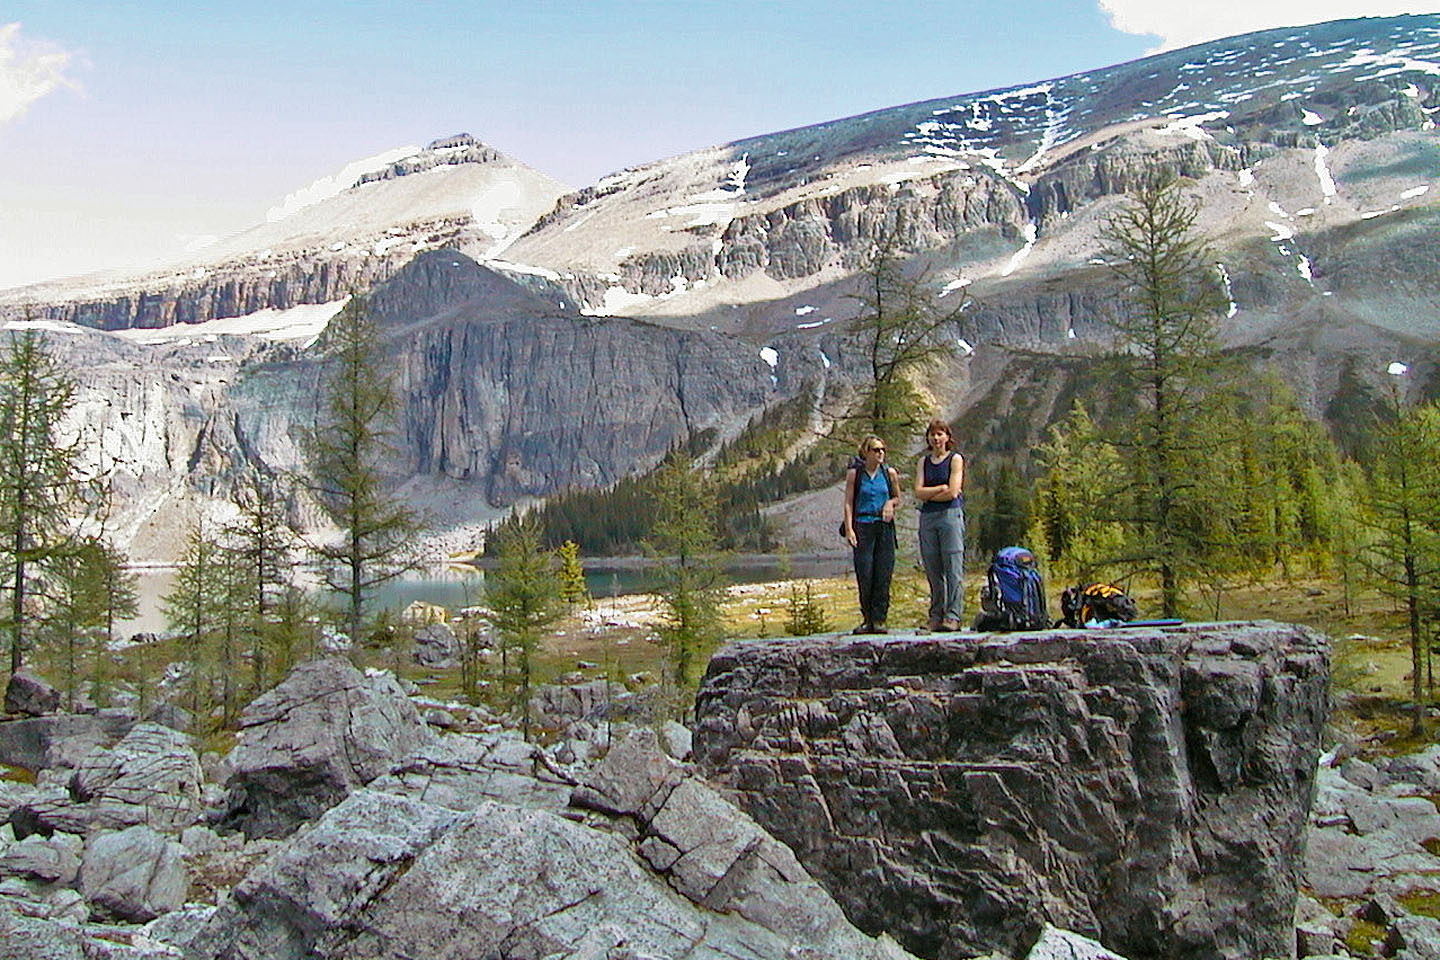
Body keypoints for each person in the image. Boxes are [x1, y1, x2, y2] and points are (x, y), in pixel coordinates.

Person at [843, 435, 900, 634]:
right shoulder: (855, 475)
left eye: (882, 449)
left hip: (884, 527)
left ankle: (879, 619)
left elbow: (897, 497)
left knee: (883, 573)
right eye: (876, 450)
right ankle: (867, 618)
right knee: (865, 573)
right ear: (866, 452)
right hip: (863, 526)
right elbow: (849, 502)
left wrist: (890, 504)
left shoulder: (889, 473)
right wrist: (850, 529)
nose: (880, 453)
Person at [913, 419, 965, 631]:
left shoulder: (955, 459)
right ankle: (936, 616)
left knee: (953, 566)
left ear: (947, 437)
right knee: (933, 568)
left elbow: (953, 492)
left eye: (940, 434)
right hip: (928, 517)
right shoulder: (923, 462)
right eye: (932, 434)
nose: (936, 438)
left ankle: (953, 615)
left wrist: (930, 493)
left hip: (950, 515)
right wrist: (939, 489)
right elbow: (917, 491)